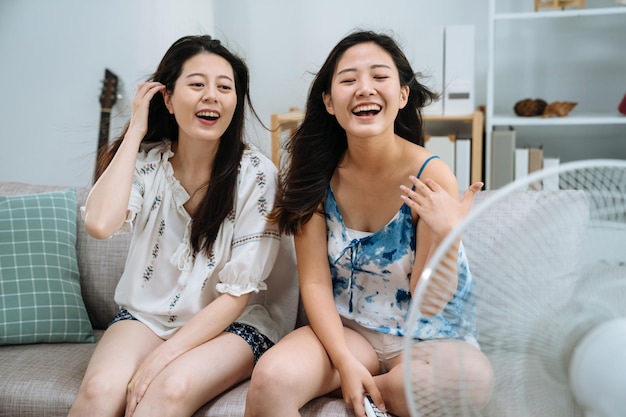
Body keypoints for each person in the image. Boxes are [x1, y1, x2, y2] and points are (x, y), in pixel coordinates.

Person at [244, 30, 493, 417]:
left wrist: (449, 235)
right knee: (271, 378)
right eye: (347, 80)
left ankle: (375, 392)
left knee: (472, 382)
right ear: (329, 101)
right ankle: (363, 381)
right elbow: (313, 283)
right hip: (351, 332)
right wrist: (344, 361)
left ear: (403, 95)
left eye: (379, 77)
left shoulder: (431, 174)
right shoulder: (314, 176)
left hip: (427, 337)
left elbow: (428, 301)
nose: (365, 89)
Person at [68, 35, 298, 417]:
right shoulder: (146, 164)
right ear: (169, 100)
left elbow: (236, 296)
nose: (212, 96)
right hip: (146, 317)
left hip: (233, 324)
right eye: (196, 84)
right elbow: (98, 224)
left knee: (167, 390)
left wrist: (162, 359)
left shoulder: (257, 175)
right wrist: (136, 131)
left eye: (225, 87)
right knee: (98, 391)